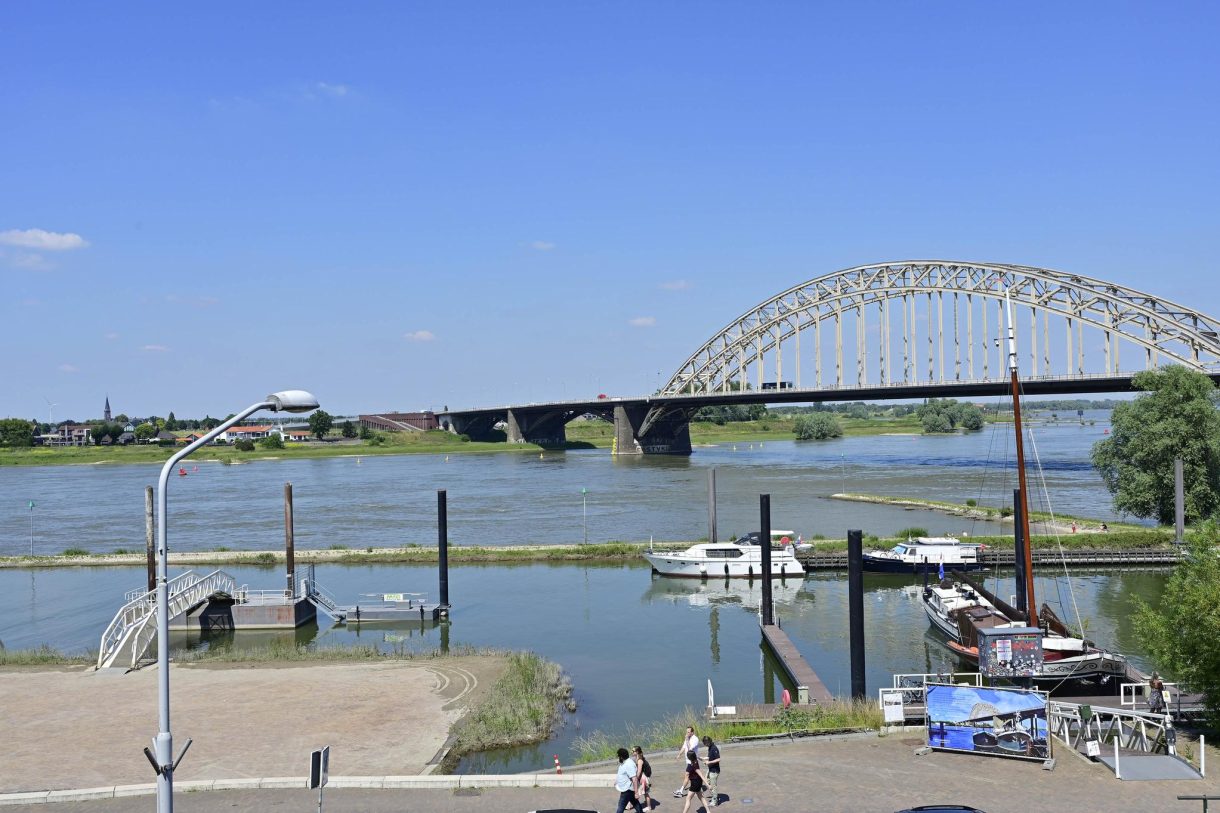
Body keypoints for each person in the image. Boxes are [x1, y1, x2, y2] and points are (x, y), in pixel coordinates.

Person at [614, 747, 645, 813]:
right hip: (628, 789)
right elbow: (622, 773)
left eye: (619, 756)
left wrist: (636, 793)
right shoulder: (625, 762)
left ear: (621, 757)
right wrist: (617, 781)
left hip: (627, 789)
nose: (618, 758)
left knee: (621, 806)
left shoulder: (629, 764)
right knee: (635, 803)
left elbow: (634, 779)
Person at [673, 726, 700, 797]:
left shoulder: (695, 739)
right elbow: (684, 747)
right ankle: (699, 788)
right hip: (688, 761)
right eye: (686, 732)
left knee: (687, 775)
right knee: (694, 775)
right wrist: (679, 755)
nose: (687, 733)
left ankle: (681, 791)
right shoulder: (687, 738)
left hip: (692, 761)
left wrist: (687, 740)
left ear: (692, 732)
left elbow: (690, 748)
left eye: (688, 732)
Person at [702, 735, 721, 807]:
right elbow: (710, 757)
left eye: (705, 743)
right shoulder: (710, 747)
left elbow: (718, 759)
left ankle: (715, 801)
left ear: (708, 741)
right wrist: (704, 758)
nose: (705, 745)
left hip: (714, 770)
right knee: (707, 781)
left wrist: (709, 762)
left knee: (713, 786)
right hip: (710, 769)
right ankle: (714, 795)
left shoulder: (714, 748)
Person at [632, 745, 652, 810]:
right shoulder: (639, 758)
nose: (632, 752)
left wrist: (635, 779)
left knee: (644, 793)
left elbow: (639, 771)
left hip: (644, 779)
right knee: (643, 793)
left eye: (633, 751)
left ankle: (648, 807)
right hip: (644, 778)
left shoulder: (640, 760)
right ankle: (633, 804)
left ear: (637, 752)